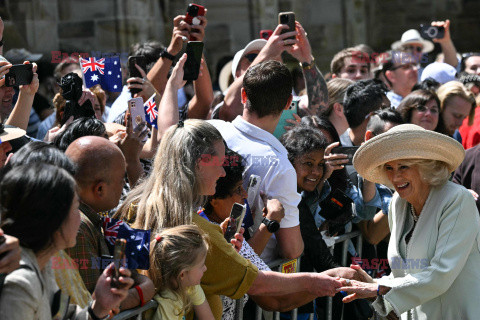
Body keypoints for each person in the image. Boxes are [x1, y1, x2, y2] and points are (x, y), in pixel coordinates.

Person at [338, 123, 480, 319]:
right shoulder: (399, 202)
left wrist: (379, 288)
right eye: (389, 167)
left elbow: (440, 274)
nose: (395, 176)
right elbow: (404, 275)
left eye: (404, 166)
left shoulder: (456, 199)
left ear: (424, 165)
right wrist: (371, 284)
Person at [0, 163, 134, 320]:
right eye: (76, 208)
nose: (80, 217)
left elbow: (61, 315)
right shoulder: (21, 285)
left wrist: (98, 307)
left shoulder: (45, 263)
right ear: (55, 221)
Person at [64, 136, 155, 310]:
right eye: (122, 179)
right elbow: (95, 306)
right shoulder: (78, 227)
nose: (124, 185)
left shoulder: (89, 220)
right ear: (100, 189)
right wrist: (143, 290)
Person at [147, 225, 215, 320]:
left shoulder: (189, 284)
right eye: (201, 266)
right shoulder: (168, 304)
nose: (205, 268)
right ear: (182, 274)